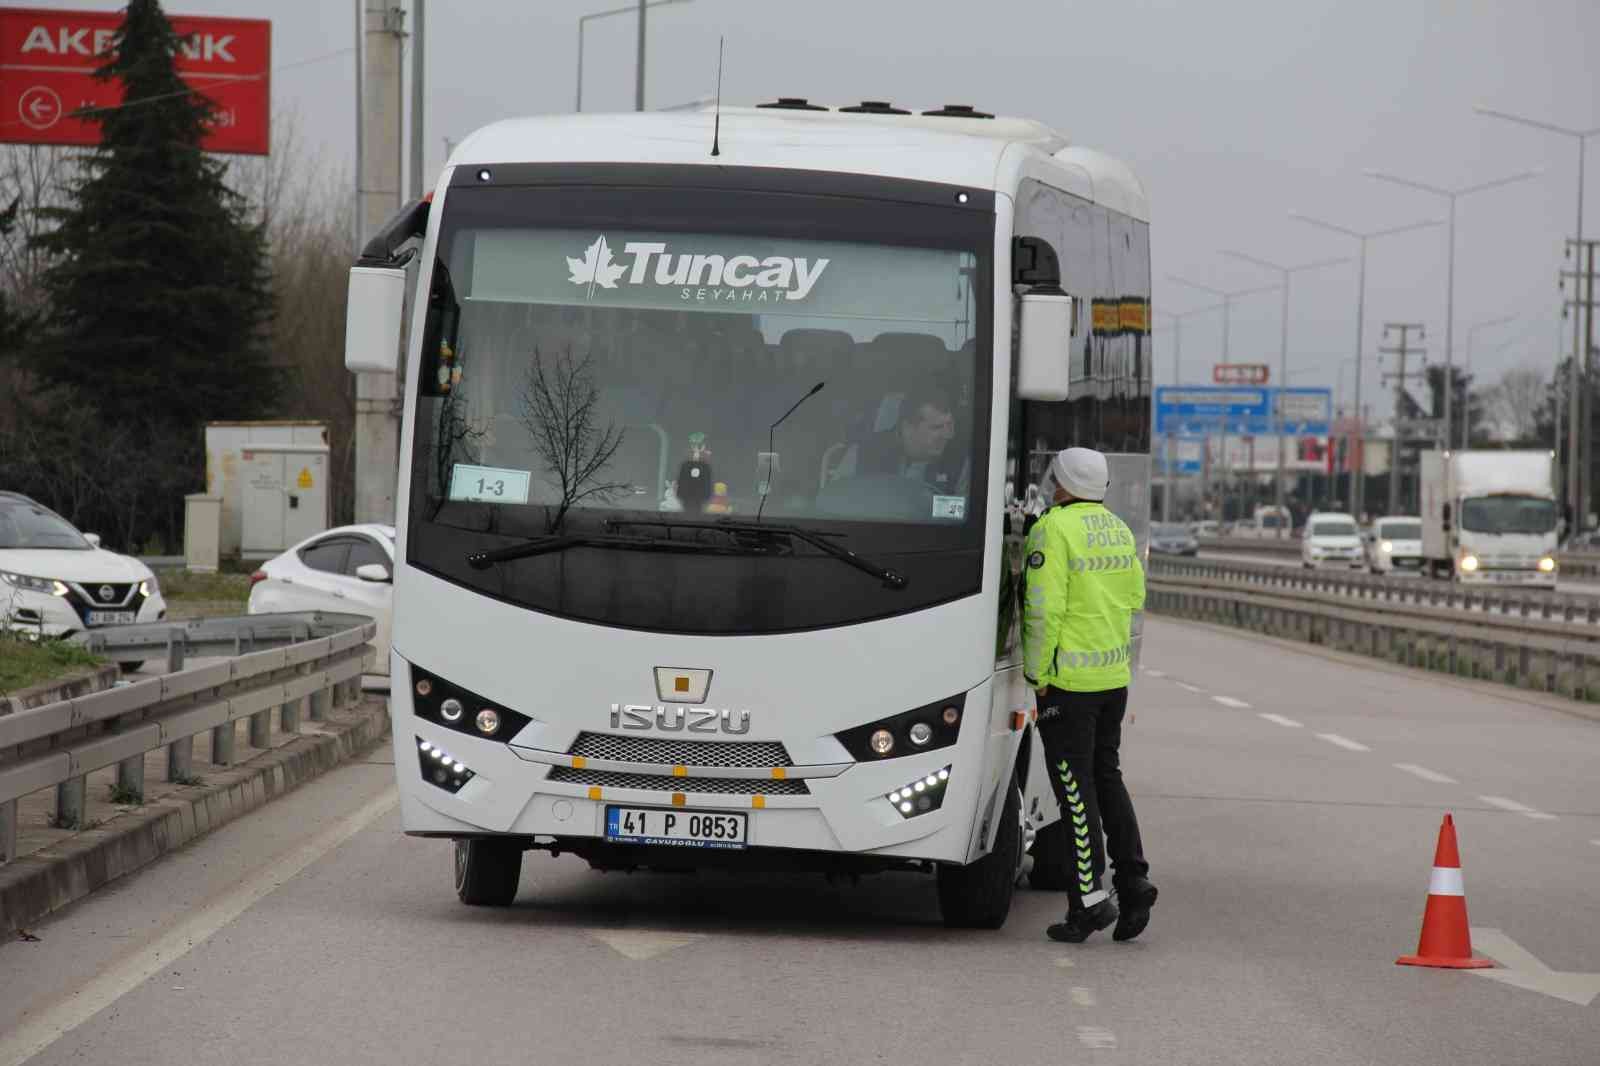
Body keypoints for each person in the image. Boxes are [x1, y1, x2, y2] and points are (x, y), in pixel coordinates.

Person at [1022, 447, 1156, 943]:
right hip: (1111, 680)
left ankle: (1088, 902)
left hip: (1068, 686)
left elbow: (1041, 609)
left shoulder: (1052, 530)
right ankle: (1133, 880)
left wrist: (1037, 675)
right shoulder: (1117, 529)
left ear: (1061, 482)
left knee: (1075, 792)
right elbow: (1134, 597)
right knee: (1107, 778)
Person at [846, 385, 965, 493]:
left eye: (949, 425)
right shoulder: (862, 453)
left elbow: (959, 513)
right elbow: (838, 501)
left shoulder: (960, 465)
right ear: (908, 428)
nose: (948, 435)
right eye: (936, 427)